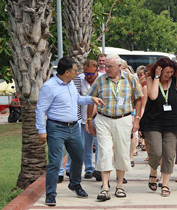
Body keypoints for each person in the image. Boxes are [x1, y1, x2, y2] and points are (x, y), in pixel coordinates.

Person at [36, 57, 104, 206]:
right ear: (67, 72)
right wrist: (41, 130)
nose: (77, 73)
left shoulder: (71, 83)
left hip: (73, 127)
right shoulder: (49, 87)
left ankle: (74, 184)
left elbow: (77, 99)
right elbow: (41, 109)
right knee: (55, 162)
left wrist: (91, 99)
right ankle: (51, 194)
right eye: (75, 70)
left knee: (78, 157)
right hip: (56, 128)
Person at [87, 54, 143, 201]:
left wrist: (137, 120)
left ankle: (119, 185)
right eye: (105, 66)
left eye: (110, 66)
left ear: (119, 67)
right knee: (104, 152)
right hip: (103, 119)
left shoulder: (130, 79)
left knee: (122, 152)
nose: (106, 69)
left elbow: (138, 98)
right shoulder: (100, 80)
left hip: (123, 119)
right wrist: (88, 121)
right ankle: (105, 187)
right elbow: (90, 100)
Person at [140, 58, 177, 197]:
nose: (169, 75)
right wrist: (156, 77)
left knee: (169, 153)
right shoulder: (150, 79)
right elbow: (153, 96)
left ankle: (165, 184)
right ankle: (153, 172)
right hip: (153, 120)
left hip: (172, 121)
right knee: (156, 151)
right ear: (159, 70)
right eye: (166, 72)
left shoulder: (176, 81)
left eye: (171, 72)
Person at [80, 60, 103, 180]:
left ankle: (99, 169)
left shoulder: (102, 80)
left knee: (100, 145)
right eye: (86, 74)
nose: (88, 76)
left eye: (91, 74)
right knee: (86, 145)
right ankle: (89, 168)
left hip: (100, 118)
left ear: (97, 71)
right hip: (84, 118)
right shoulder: (79, 80)